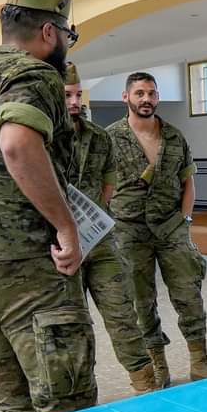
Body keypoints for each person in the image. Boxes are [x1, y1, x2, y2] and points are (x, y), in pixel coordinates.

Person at [0, 0, 106, 412]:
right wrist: (64, 225)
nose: (67, 43)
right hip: (32, 280)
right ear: (47, 32)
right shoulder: (35, 74)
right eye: (67, 33)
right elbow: (17, 143)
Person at [107, 72, 207, 386]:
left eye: (152, 93)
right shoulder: (110, 138)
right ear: (126, 97)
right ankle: (158, 366)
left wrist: (185, 222)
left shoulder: (174, 136)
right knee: (140, 300)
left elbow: (188, 183)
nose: (146, 99)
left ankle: (199, 360)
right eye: (140, 93)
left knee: (189, 293)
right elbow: (101, 186)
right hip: (129, 231)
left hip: (172, 227)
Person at [64, 62, 158, 394]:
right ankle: (77, 400)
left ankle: (147, 386)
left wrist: (96, 216)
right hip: (60, 250)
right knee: (72, 326)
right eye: (67, 96)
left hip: (100, 243)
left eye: (77, 95)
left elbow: (108, 184)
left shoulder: (99, 137)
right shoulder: (40, 138)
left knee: (123, 317)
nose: (74, 103)